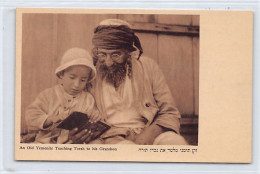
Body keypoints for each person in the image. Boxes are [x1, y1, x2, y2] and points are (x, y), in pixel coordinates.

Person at [68, 18, 186, 145]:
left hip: (149, 131)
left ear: (128, 52)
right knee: (127, 150)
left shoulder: (148, 67)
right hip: (109, 138)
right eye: (102, 54)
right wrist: (77, 133)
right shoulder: (89, 72)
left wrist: (150, 133)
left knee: (175, 143)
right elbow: (71, 109)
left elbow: (169, 112)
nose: (108, 62)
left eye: (116, 55)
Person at [25, 47, 100, 144]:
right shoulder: (48, 95)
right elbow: (31, 115)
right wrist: (50, 119)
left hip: (73, 143)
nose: (76, 85)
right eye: (72, 77)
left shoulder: (88, 99)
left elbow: (93, 116)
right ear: (61, 74)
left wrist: (95, 118)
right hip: (45, 143)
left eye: (83, 80)